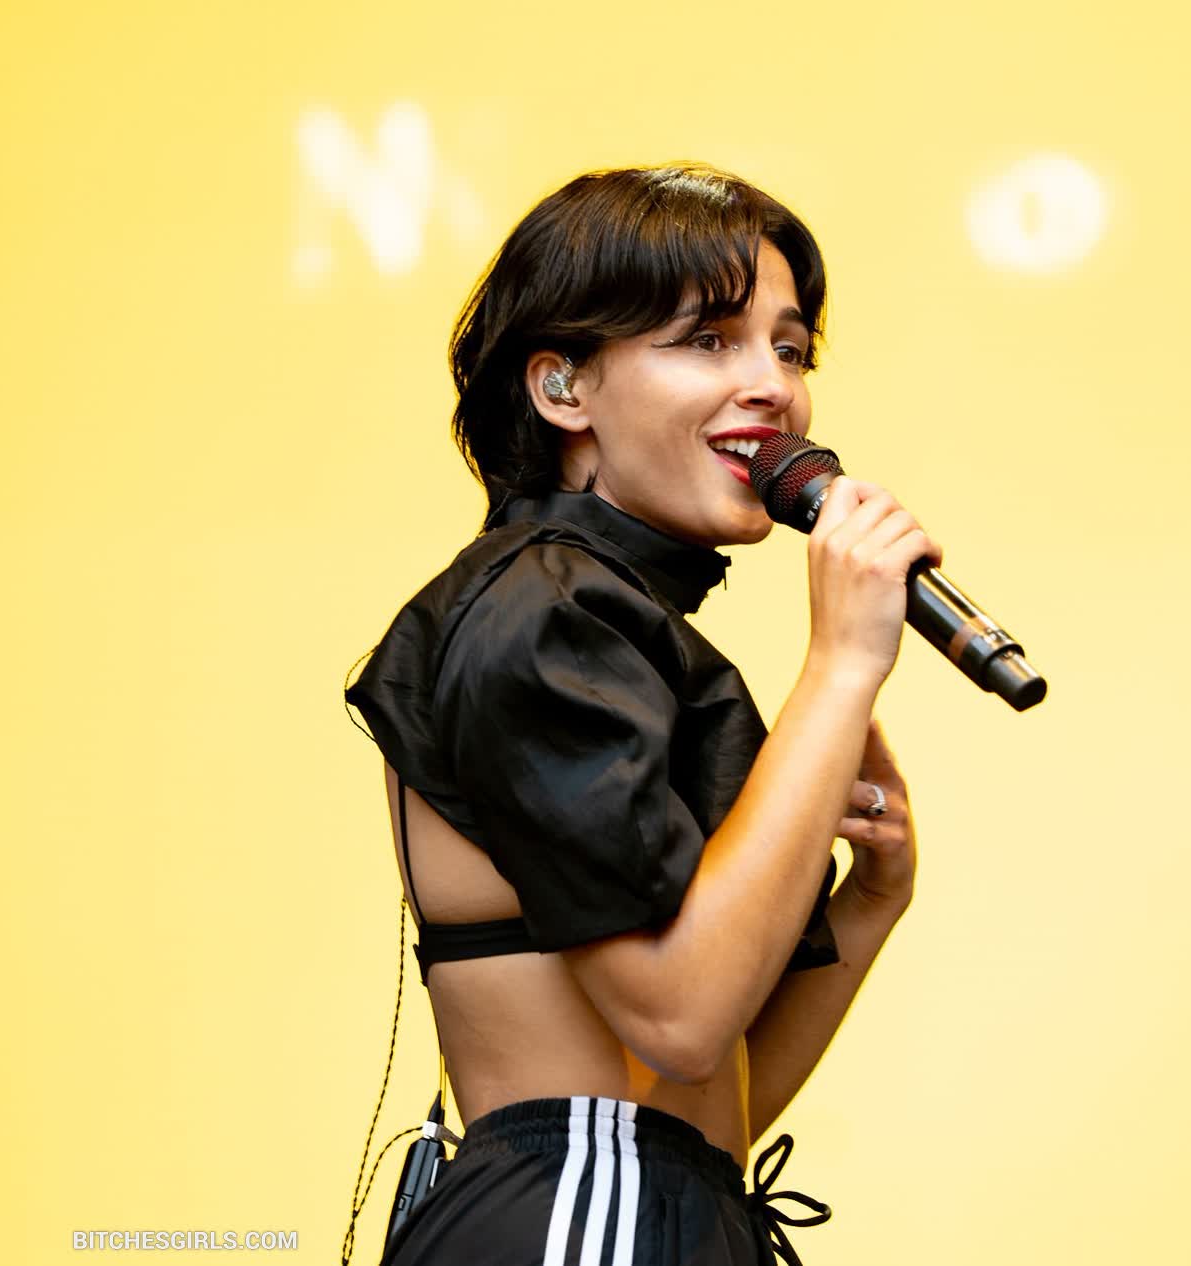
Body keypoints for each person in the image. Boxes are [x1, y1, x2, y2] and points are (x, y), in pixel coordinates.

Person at [345, 164, 937, 1266]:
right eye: (708, 340)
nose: (771, 385)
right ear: (563, 389)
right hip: (581, 1216)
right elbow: (680, 1015)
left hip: (651, 1201)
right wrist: (842, 664)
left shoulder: (609, 618)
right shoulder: (541, 611)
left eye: (790, 350)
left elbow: (704, 1109)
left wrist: (872, 898)